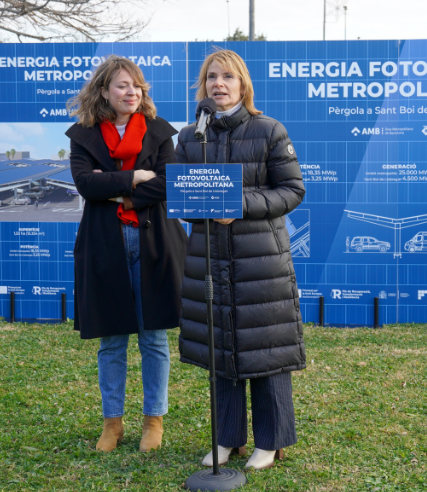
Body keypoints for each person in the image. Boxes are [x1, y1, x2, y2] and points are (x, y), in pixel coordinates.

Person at [177, 49, 307, 471]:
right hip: (210, 259)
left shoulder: (269, 130)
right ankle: (226, 439)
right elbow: (180, 195)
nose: (218, 84)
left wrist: (241, 202)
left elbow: (291, 191)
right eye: (211, 77)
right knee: (221, 352)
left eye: (227, 77)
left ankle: (271, 441)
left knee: (266, 351)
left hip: (260, 261)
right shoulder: (189, 137)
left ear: (242, 84)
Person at [66, 55, 187, 453]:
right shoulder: (83, 136)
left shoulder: (159, 133)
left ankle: (154, 420)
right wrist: (135, 176)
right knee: (112, 339)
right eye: (122, 85)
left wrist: (113, 187)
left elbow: (168, 184)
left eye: (136, 85)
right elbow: (86, 185)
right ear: (104, 91)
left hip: (154, 244)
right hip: (106, 244)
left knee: (153, 337)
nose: (131, 91)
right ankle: (112, 423)